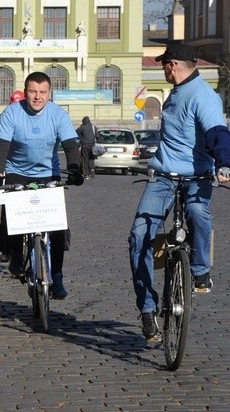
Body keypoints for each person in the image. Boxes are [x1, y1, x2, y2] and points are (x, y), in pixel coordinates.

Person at [129, 43, 230, 341]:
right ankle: (147, 309)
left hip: (197, 176)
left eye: (164, 65)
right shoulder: (176, 92)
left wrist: (225, 162)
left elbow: (217, 132)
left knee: (198, 212)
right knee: (139, 235)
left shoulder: (203, 96)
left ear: (172, 65)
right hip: (162, 176)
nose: (164, 70)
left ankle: (200, 270)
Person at [0, 71, 83, 299]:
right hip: (17, 171)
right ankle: (16, 256)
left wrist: (76, 169)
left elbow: (70, 145)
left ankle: (57, 276)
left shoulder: (58, 114)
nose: (37, 97)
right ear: (25, 91)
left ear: (50, 93)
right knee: (12, 215)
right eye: (32, 91)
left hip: (48, 172)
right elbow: (1, 145)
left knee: (58, 227)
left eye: (42, 92)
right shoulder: (12, 112)